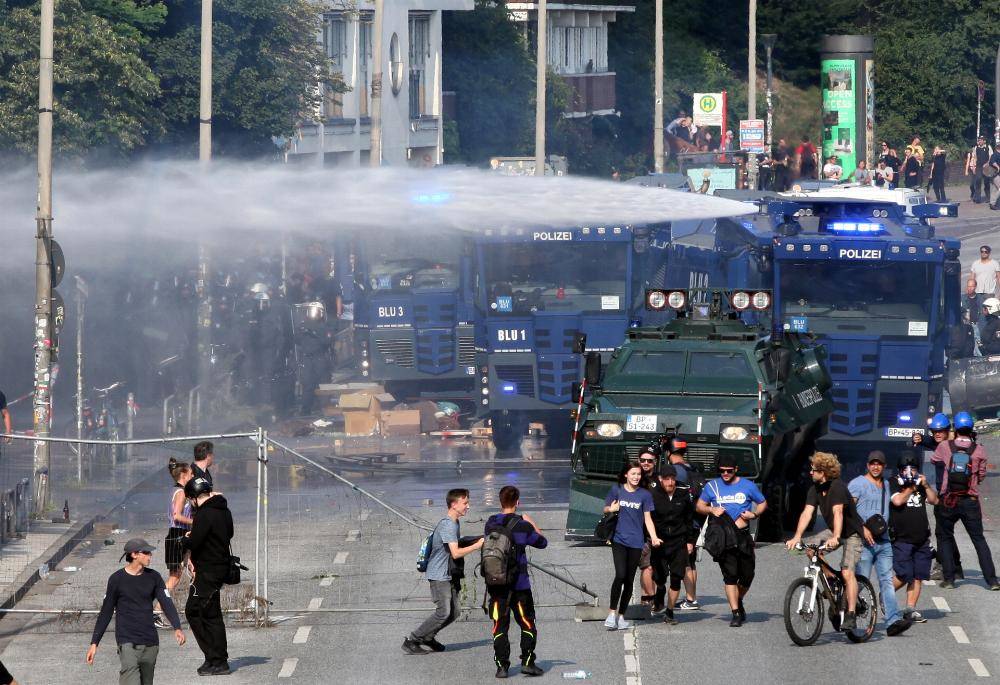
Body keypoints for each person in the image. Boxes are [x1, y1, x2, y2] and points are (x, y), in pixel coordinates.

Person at [87, 538, 186, 685]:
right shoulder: (116, 579)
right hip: (127, 642)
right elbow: (106, 612)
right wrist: (94, 643)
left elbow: (166, 602)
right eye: (146, 552)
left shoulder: (154, 577)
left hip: (150, 642)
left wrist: (177, 627)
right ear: (134, 555)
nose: (149, 556)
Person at [785, 452, 865, 631]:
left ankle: (851, 614)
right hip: (834, 529)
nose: (810, 473)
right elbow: (807, 513)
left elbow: (838, 513)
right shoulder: (814, 489)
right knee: (811, 549)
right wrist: (797, 537)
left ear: (824, 472)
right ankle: (831, 580)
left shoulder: (837, 487)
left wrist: (836, 536)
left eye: (814, 470)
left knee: (847, 573)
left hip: (851, 532)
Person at [404, 488, 484, 654]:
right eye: (465, 503)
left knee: (454, 612)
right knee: (443, 612)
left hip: (448, 574)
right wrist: (477, 545)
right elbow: (455, 553)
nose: (468, 506)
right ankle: (413, 639)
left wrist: (471, 540)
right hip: (439, 575)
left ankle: (428, 637)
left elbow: (453, 545)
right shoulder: (448, 525)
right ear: (454, 504)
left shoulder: (454, 523)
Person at [931, 411, 1000, 590]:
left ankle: (949, 579)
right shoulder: (980, 449)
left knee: (945, 537)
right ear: (971, 429)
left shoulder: (945, 446)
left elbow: (934, 460)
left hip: (949, 499)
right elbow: (982, 475)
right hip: (970, 500)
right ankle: (992, 580)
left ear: (954, 428)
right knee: (978, 539)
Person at [696, 454, 767, 627]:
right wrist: (711, 509)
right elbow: (699, 506)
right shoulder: (711, 486)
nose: (725, 474)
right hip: (723, 537)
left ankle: (739, 598)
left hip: (743, 536)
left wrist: (754, 514)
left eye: (729, 471)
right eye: (722, 471)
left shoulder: (748, 485)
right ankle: (735, 612)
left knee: (747, 576)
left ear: (736, 470)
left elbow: (763, 502)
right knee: (730, 576)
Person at [484, 485, 547, 679]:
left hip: (496, 585)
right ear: (517, 502)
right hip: (519, 585)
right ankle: (527, 662)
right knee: (527, 623)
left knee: (499, 626)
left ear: (500, 502)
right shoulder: (523, 525)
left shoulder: (491, 523)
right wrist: (531, 523)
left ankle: (502, 666)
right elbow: (543, 542)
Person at [848, 451, 912, 636]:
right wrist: (863, 529)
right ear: (867, 465)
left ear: (884, 466)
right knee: (860, 582)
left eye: (879, 464)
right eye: (872, 464)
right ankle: (845, 611)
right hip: (863, 541)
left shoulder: (885, 484)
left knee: (886, 582)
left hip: (883, 542)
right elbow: (849, 511)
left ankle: (892, 621)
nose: (875, 467)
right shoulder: (857, 484)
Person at [182, 476, 233, 676]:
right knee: (211, 614)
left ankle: (216, 658)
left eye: (189, 500)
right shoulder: (224, 511)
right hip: (220, 567)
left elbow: (195, 542)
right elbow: (229, 534)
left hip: (208, 570)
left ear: (193, 497)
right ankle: (216, 659)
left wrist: (186, 540)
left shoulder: (204, 514)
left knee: (194, 611)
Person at [602, 462, 661, 630]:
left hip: (637, 541)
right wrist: (611, 508)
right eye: (633, 473)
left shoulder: (645, 495)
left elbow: (648, 519)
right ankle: (611, 612)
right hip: (619, 540)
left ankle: (621, 616)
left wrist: (654, 537)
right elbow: (605, 508)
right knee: (620, 575)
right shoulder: (617, 490)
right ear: (626, 475)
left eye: (639, 474)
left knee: (629, 579)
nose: (636, 477)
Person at [913, 413, 964, 580]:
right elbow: (929, 440)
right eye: (934, 431)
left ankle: (944, 565)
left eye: (940, 431)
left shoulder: (957, 445)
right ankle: (955, 566)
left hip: (957, 495)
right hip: (944, 495)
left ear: (948, 430)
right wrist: (919, 438)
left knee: (943, 532)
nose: (937, 434)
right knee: (944, 531)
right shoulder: (938, 442)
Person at [890, 453, 939, 623]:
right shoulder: (893, 482)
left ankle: (910, 608)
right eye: (906, 469)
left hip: (922, 538)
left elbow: (934, 500)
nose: (910, 473)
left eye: (914, 469)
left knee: (918, 575)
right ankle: (885, 594)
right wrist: (909, 488)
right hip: (902, 538)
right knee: (904, 574)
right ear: (900, 470)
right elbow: (897, 502)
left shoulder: (920, 485)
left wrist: (925, 485)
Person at [648, 464, 696, 625]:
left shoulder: (683, 495)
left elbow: (689, 519)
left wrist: (690, 541)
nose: (670, 482)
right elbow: (648, 520)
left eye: (673, 479)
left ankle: (669, 612)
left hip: (679, 541)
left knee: (676, 577)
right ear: (661, 479)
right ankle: (660, 589)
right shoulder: (653, 495)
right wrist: (651, 538)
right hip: (659, 543)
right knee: (659, 576)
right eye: (667, 479)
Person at [667, 440, 703, 610]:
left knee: (684, 562)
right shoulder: (692, 468)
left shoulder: (675, 472)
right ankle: (692, 597)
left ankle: (690, 599)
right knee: (691, 561)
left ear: (669, 453)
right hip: (696, 521)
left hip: (682, 522)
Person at [160, 459, 194, 629]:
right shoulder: (180, 492)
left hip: (182, 534)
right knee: (174, 577)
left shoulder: (181, 491)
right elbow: (177, 516)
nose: (193, 476)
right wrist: (194, 522)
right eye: (191, 473)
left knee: (192, 568)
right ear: (183, 475)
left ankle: (198, 607)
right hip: (177, 535)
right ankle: (157, 610)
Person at [636, 443, 661, 608]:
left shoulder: (660, 479)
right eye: (643, 460)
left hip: (658, 530)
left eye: (649, 461)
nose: (646, 463)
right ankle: (651, 599)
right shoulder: (634, 478)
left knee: (658, 568)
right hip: (639, 531)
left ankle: (647, 596)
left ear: (655, 461)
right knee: (647, 566)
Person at [970, 136, 993, 203]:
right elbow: (974, 158)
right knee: (978, 181)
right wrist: (974, 167)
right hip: (978, 167)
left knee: (986, 182)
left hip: (986, 167)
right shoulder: (976, 148)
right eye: (979, 140)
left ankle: (988, 198)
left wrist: (987, 163)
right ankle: (977, 198)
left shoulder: (988, 147)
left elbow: (990, 157)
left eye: (980, 140)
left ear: (984, 141)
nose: (979, 141)